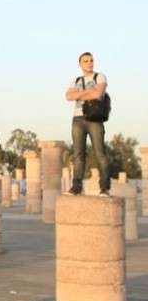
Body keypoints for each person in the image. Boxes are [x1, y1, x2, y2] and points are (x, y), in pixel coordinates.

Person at [65, 52, 110, 196]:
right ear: (80, 64)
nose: (89, 63)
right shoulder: (75, 80)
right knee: (78, 155)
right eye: (85, 61)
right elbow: (69, 96)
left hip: (95, 119)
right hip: (78, 119)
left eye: (91, 60)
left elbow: (98, 94)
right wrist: (89, 91)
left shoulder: (100, 77)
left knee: (100, 154)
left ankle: (104, 187)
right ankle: (76, 187)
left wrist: (80, 94)